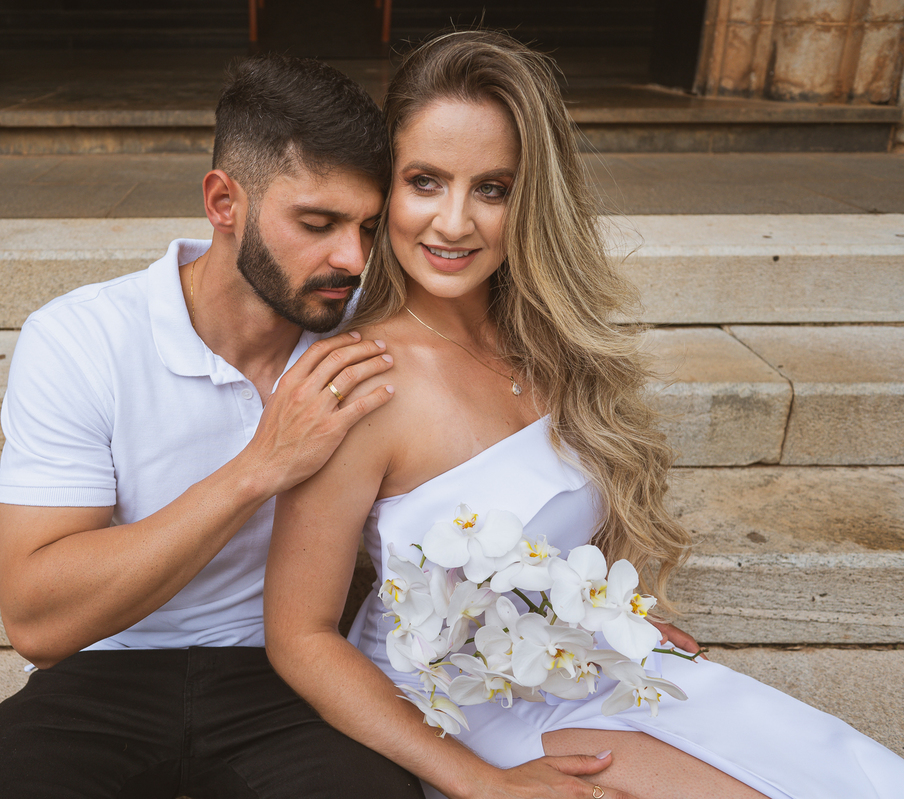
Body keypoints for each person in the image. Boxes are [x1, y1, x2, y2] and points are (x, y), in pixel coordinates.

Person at [0, 52, 613, 799]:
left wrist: (586, 621)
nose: (350, 258)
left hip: (285, 685)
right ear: (225, 202)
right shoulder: (82, 339)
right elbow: (36, 618)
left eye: (366, 224)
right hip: (104, 673)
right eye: (317, 223)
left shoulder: (376, 337)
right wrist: (259, 466)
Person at [263, 30, 904, 799]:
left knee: (849, 777)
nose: (454, 222)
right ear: (385, 188)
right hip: (468, 720)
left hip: (595, 668)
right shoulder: (358, 381)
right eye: (425, 181)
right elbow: (298, 637)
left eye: (492, 188)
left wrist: (616, 616)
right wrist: (478, 784)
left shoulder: (548, 345)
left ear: (531, 197)